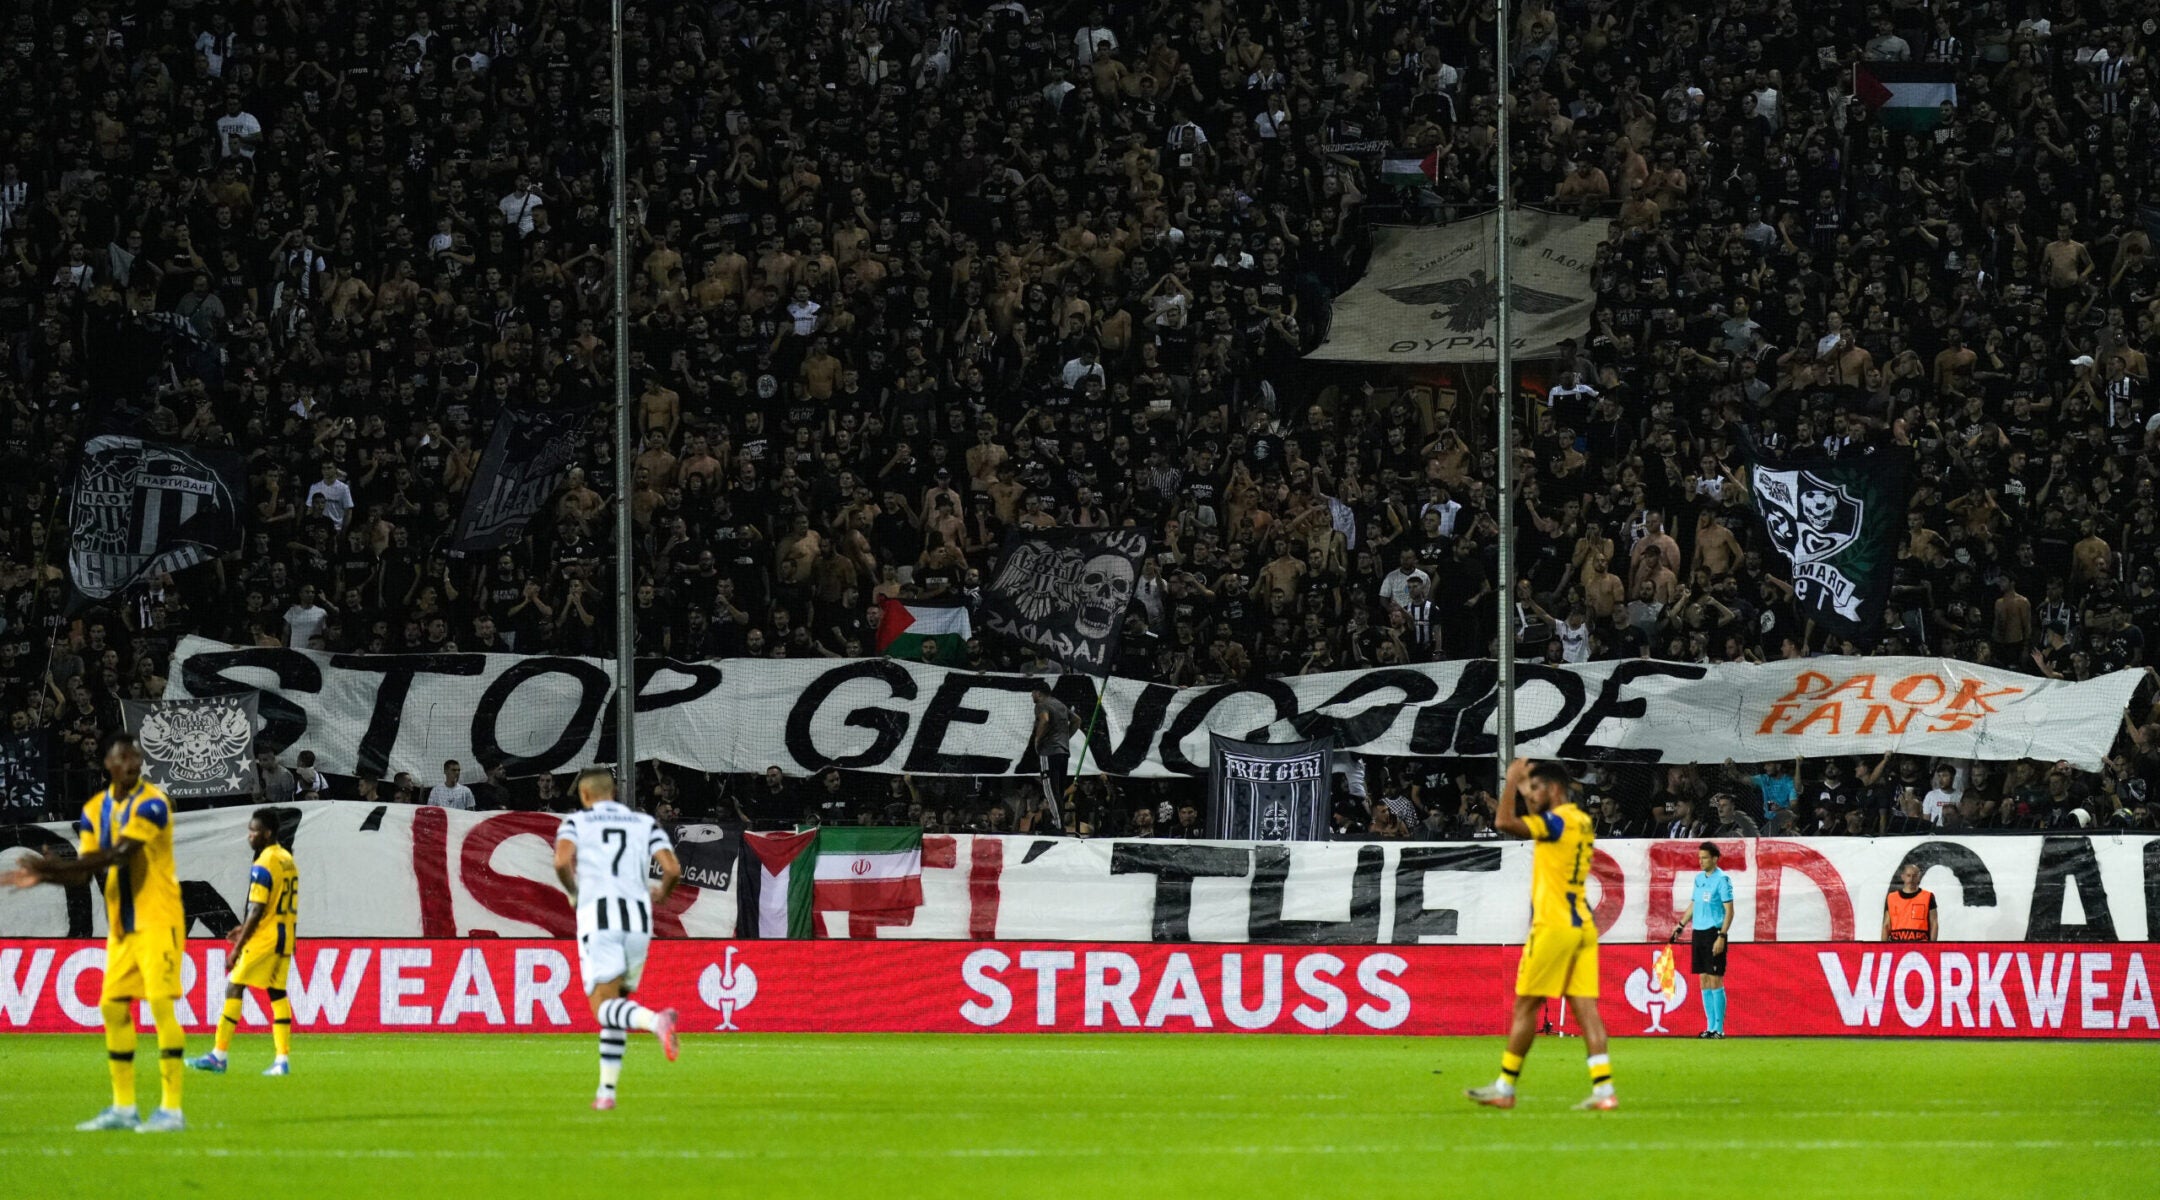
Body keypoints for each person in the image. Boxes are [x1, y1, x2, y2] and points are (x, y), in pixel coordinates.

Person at [1, 734, 189, 1131]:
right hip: (123, 927)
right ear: (108, 763)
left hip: (159, 919)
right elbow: (85, 872)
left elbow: (121, 853)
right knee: (113, 1008)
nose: (133, 761)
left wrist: (49, 868)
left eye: (137, 754)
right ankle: (123, 1108)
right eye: (124, 755)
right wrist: (45, 876)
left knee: (159, 1006)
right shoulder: (93, 810)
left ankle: (171, 1109)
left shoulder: (153, 803)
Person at [1466, 758, 1615, 1112]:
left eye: (1535, 789)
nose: (1530, 797)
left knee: (1525, 1006)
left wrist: (1510, 780)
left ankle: (1505, 1087)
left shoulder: (1558, 821)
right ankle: (1604, 1090)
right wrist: (1524, 785)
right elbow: (1535, 808)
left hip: (1554, 926)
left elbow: (1504, 822)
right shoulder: (1580, 820)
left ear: (1553, 788)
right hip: (1582, 924)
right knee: (1585, 1009)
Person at [552, 767, 684, 1110]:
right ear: (613, 792)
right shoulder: (644, 823)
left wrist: (573, 891)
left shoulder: (576, 823)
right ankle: (606, 1092)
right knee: (618, 1005)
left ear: (584, 795)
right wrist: (663, 895)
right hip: (639, 923)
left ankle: (657, 1021)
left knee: (603, 1008)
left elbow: (562, 861)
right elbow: (672, 870)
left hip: (600, 920)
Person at [190, 809, 300, 1075]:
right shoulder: (287, 859)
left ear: (268, 833)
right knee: (276, 992)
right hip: (285, 936)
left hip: (264, 939)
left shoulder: (264, 862)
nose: (249, 836)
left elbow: (257, 908)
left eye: (254, 831)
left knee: (234, 986)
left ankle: (218, 1055)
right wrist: (242, 928)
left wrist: (238, 947)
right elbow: (272, 905)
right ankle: (282, 1060)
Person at [1669, 842, 1735, 1038]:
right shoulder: (1698, 879)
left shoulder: (1722, 880)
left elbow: (1730, 911)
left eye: (1705, 857)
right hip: (1698, 933)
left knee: (1716, 979)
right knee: (1703, 980)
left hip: (1714, 932)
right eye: (1699, 858)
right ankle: (1709, 1027)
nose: (1701, 861)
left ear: (1715, 858)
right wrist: (1681, 925)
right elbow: (1694, 903)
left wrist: (1721, 936)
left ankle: (1719, 1028)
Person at [1030, 684, 1077, 805]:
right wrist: (1065, 738)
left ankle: (1058, 823)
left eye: (1033, 692)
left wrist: (1037, 739)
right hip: (1063, 752)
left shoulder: (1041, 704)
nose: (1031, 695)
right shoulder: (1059, 704)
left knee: (1050, 790)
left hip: (1049, 751)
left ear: (1039, 693)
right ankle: (1059, 820)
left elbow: (1044, 720)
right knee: (1059, 791)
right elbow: (1077, 720)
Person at [1883, 862, 1938, 942]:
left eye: (1914, 876)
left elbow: (1934, 923)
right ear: (1903, 877)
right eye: (1908, 875)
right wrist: (1881, 948)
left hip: (1920, 945)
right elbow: (1886, 925)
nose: (1911, 879)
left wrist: (1932, 947)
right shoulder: (1892, 898)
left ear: (1919, 878)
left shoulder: (1928, 897)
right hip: (1896, 945)